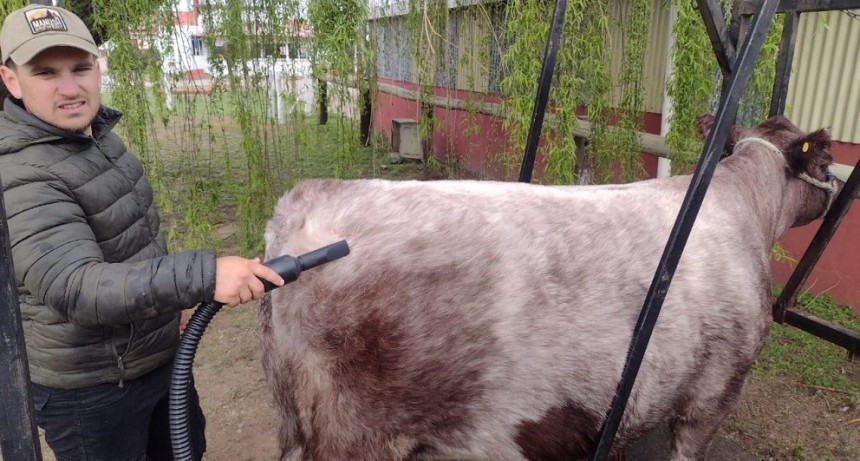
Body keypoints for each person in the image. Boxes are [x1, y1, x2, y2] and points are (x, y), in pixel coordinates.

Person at [0, 4, 284, 460]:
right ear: (12, 80)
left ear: (98, 66)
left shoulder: (97, 139)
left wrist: (166, 308)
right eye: (46, 72)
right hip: (93, 392)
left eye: (80, 67)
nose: (71, 88)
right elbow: (76, 287)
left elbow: (130, 242)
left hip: (152, 362)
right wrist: (204, 276)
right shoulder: (21, 173)